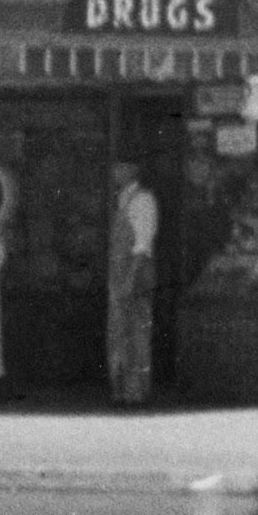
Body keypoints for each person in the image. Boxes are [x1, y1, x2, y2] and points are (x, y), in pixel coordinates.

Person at [107, 161, 159, 404]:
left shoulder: (142, 200)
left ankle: (136, 391)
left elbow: (142, 245)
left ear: (132, 170)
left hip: (134, 274)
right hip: (119, 276)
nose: (115, 172)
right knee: (120, 332)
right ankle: (121, 388)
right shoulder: (122, 199)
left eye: (120, 168)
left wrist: (130, 277)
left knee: (136, 331)